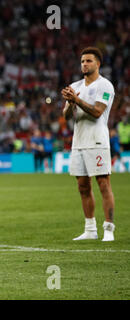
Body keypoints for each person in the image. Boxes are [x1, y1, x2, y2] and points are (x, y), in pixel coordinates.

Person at [62, 46, 116, 241]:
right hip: (79, 141)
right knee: (83, 186)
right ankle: (90, 229)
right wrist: (70, 103)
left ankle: (108, 229)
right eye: (83, 61)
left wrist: (76, 99)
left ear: (98, 64)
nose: (84, 64)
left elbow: (97, 112)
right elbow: (66, 116)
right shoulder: (75, 85)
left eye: (89, 61)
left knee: (103, 184)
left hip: (97, 140)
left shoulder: (105, 86)